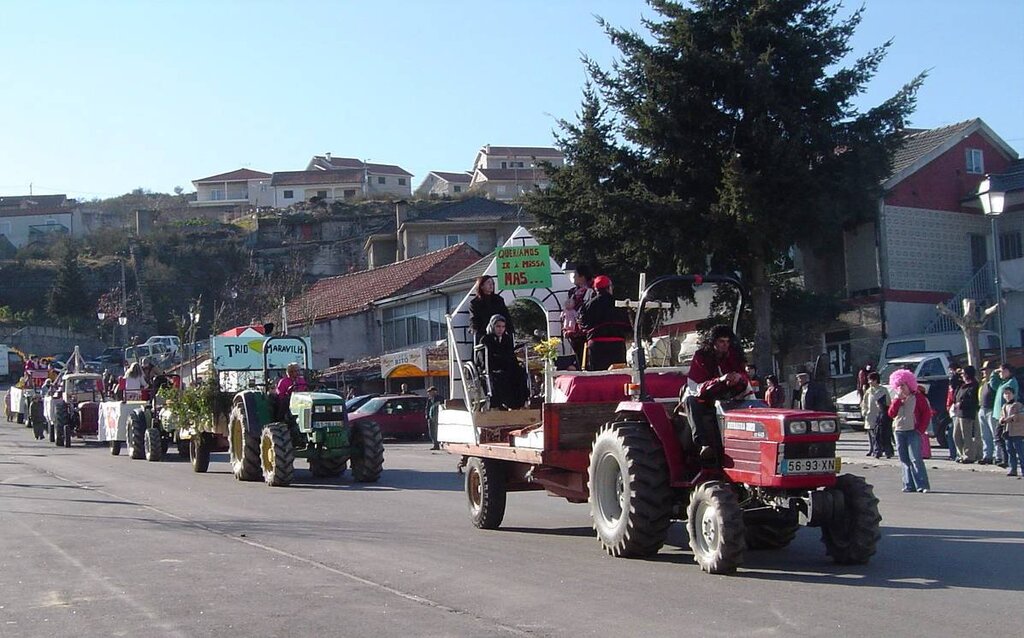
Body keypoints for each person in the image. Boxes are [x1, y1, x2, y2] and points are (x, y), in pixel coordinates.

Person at [681, 324, 750, 462]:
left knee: (749, 400)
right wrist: (720, 380)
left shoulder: (734, 356)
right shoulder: (700, 357)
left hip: (727, 395)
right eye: (721, 341)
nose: (725, 345)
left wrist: (738, 377)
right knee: (691, 402)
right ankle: (703, 444)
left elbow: (743, 374)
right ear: (713, 342)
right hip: (702, 395)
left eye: (727, 341)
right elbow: (697, 387)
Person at [888, 369, 930, 493]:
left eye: (903, 385)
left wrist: (920, 430)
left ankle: (922, 485)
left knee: (916, 458)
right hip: (899, 431)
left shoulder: (918, 397)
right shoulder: (896, 398)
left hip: (913, 431)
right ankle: (908, 485)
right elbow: (891, 414)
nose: (901, 388)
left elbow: (926, 413)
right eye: (899, 385)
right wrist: (897, 400)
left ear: (909, 384)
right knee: (904, 459)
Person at [576, 275, 630, 371]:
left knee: (598, 377)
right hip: (617, 346)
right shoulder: (618, 303)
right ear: (609, 287)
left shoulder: (588, 305)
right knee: (618, 376)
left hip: (596, 346)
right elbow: (628, 325)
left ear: (595, 289)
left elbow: (582, 324)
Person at [479, 314, 527, 410]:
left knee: (520, 373)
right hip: (493, 366)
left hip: (506, 365)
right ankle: (499, 403)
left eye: (503, 327)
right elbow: (483, 357)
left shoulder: (507, 339)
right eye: (498, 326)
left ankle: (519, 403)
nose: (500, 329)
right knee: (501, 376)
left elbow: (510, 354)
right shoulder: (486, 339)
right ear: (492, 326)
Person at [561, 265, 593, 369]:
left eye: (575, 275)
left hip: (585, 329)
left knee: (586, 356)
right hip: (572, 330)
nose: (573, 278)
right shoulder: (572, 292)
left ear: (582, 277)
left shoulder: (591, 291)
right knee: (577, 355)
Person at [469, 275, 513, 344]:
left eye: (492, 283)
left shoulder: (498, 300)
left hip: (500, 333)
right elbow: (474, 320)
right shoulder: (475, 303)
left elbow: (506, 316)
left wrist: (510, 331)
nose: (491, 285)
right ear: (481, 286)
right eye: (488, 283)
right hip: (484, 334)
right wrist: (476, 331)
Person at [991, 363, 1019, 468]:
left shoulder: (1011, 383)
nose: (1000, 374)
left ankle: (1007, 459)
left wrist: (1005, 414)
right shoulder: (1003, 382)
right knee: (999, 437)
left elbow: (1009, 398)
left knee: (1002, 437)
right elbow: (993, 385)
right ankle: (1005, 459)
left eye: (1001, 371)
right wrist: (994, 373)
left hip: (1005, 415)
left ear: (1007, 371)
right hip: (999, 414)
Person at [952, 365, 981, 464]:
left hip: (967, 414)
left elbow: (973, 400)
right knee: (956, 435)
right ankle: (961, 454)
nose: (962, 376)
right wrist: (955, 375)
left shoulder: (974, 386)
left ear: (968, 374)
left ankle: (969, 456)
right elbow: (954, 387)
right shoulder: (962, 385)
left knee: (967, 436)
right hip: (959, 414)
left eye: (963, 373)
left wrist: (962, 403)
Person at [861, 371, 892, 458]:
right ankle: (873, 449)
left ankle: (885, 450)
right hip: (870, 415)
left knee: (882, 434)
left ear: (875, 380)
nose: (869, 382)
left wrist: (887, 413)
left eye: (870, 380)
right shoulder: (868, 391)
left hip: (881, 416)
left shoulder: (883, 390)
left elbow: (888, 402)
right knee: (872, 434)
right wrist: (864, 412)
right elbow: (864, 403)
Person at [998, 386, 1024, 478]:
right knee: (1010, 451)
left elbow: (1022, 415)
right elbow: (1001, 416)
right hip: (1007, 431)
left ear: (1013, 394)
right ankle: (1013, 469)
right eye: (1005, 394)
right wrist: (1002, 420)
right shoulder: (1004, 406)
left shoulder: (1018, 404)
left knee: (1020, 451)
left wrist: (1013, 417)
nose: (1007, 395)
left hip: (1017, 431)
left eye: (1009, 393)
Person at [977, 364, 997, 464]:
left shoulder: (995, 382)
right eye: (983, 370)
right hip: (982, 409)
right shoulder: (983, 382)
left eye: (986, 370)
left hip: (992, 410)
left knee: (995, 435)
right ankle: (987, 456)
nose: (984, 372)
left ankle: (998, 456)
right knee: (985, 435)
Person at [425, 386, 442, 450]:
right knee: (431, 432)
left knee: (437, 431)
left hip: (438, 417)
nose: (429, 393)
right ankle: (435, 444)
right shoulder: (429, 400)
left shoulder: (440, 398)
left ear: (435, 392)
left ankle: (438, 444)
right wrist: (427, 415)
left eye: (430, 392)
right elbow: (427, 408)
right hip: (431, 417)